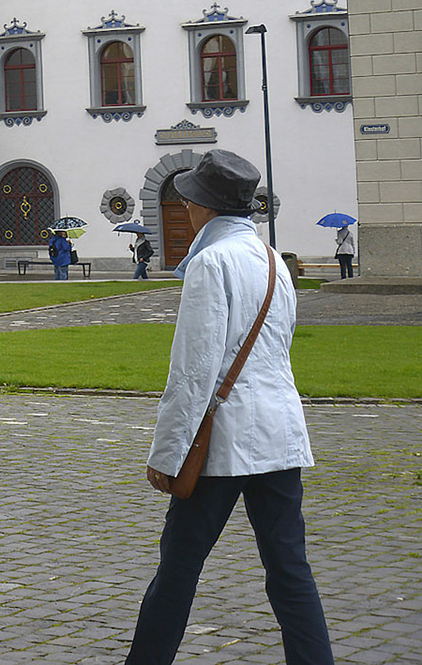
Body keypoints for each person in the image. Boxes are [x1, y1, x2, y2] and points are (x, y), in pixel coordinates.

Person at [127, 149, 332, 665]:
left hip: (221, 441)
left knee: (176, 572)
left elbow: (194, 372)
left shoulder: (212, 262)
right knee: (290, 572)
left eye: (190, 198)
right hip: (280, 435)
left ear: (202, 205)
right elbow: (277, 351)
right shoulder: (271, 260)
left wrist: (166, 453)